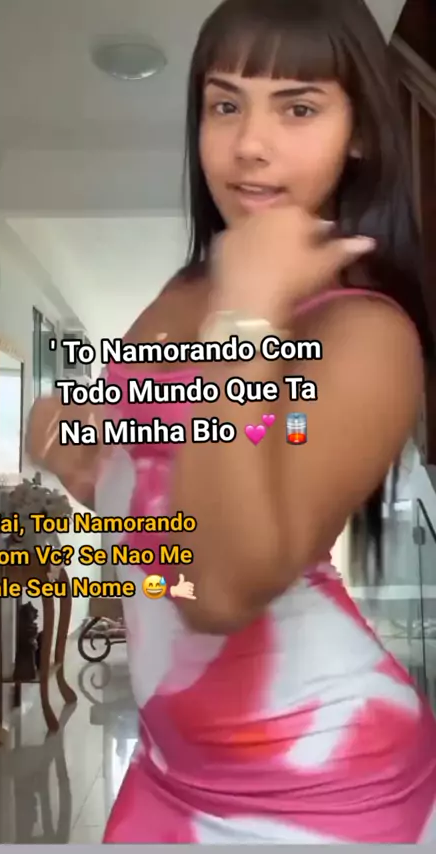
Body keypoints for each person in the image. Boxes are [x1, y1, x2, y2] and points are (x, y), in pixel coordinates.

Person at [27, 0, 436, 843]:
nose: (250, 143)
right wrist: (81, 461)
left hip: (324, 780)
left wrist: (248, 315)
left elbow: (219, 589)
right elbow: (161, 516)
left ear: (360, 132)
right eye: (225, 104)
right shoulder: (181, 295)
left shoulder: (364, 333)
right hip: (171, 765)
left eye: (298, 107)